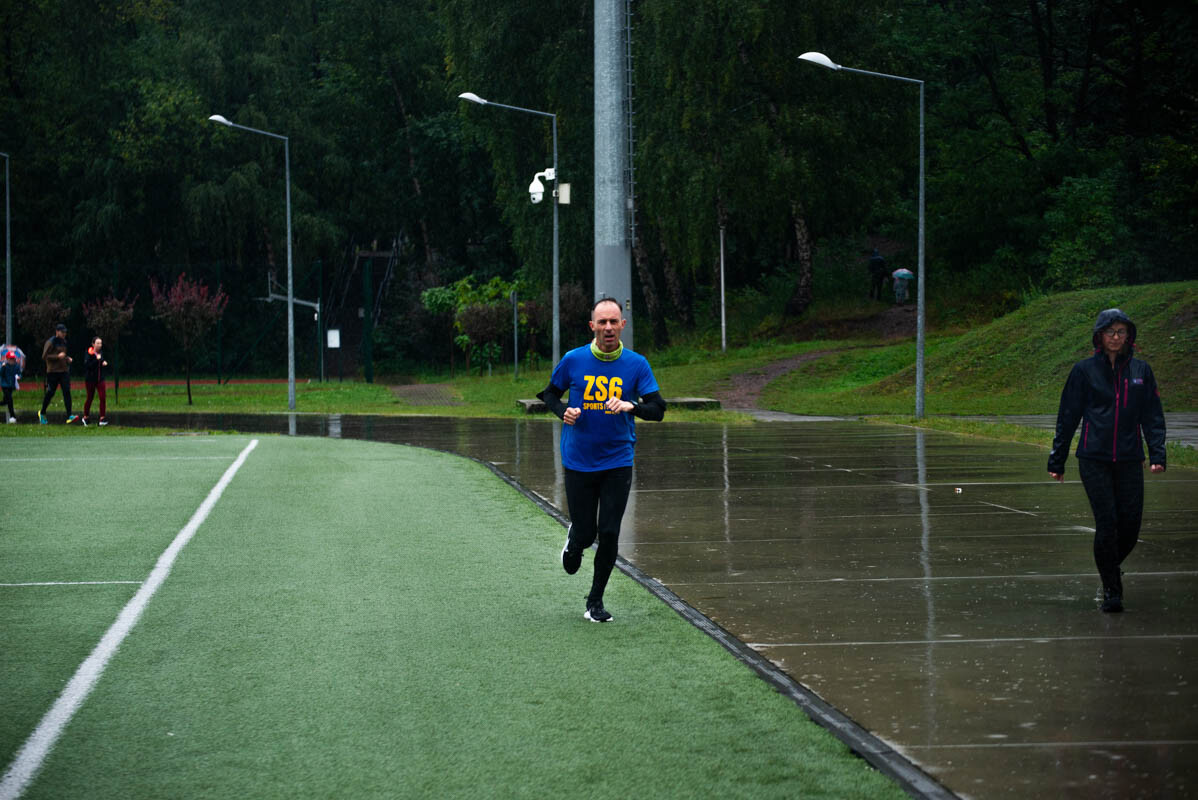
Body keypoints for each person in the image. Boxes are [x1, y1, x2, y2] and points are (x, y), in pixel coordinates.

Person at [537, 298, 666, 622]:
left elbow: (658, 409)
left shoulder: (637, 364)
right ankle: (576, 541)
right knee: (587, 530)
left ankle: (595, 601)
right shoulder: (573, 359)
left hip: (618, 460)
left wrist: (631, 406)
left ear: (623, 325)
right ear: (592, 326)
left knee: (609, 531)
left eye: (614, 322)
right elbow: (549, 394)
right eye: (602, 322)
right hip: (578, 459)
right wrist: (561, 410)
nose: (608, 328)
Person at [1048, 308, 1166, 613]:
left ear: (1130, 336)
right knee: (1108, 522)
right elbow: (1068, 416)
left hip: (1129, 458)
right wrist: (1057, 459)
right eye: (1110, 332)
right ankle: (1113, 589)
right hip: (1093, 457)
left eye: (1121, 332)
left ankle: (1108, 567)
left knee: (1130, 526)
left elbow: (1152, 415)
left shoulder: (1141, 371)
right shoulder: (1084, 371)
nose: (1116, 337)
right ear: (1099, 336)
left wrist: (1157, 452)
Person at [39, 323, 77, 424]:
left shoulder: (64, 342)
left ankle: (69, 415)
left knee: (67, 391)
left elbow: (62, 355)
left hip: (63, 371)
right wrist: (57, 357)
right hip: (53, 372)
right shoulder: (50, 342)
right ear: (57, 332)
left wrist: (66, 358)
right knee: (51, 392)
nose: (64, 334)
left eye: (65, 332)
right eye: (62, 332)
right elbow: (44, 356)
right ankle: (42, 413)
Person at [82, 336, 110, 426]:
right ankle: (85, 417)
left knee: (103, 397)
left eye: (100, 343)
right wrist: (96, 360)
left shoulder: (101, 352)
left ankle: (102, 418)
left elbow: (101, 360)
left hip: (100, 379)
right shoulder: (88, 353)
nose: (99, 345)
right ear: (93, 344)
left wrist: (103, 362)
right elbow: (87, 365)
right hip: (90, 380)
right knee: (90, 398)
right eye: (97, 343)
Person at [1, 349, 20, 423]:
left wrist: (19, 376)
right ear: (7, 359)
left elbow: (19, 373)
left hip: (11, 385)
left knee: (5, 401)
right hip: (5, 385)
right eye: (11, 359)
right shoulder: (4, 366)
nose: (12, 360)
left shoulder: (16, 366)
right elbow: (1, 374)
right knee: (10, 400)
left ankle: (12, 416)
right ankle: (13, 416)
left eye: (13, 358)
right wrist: (3, 367)